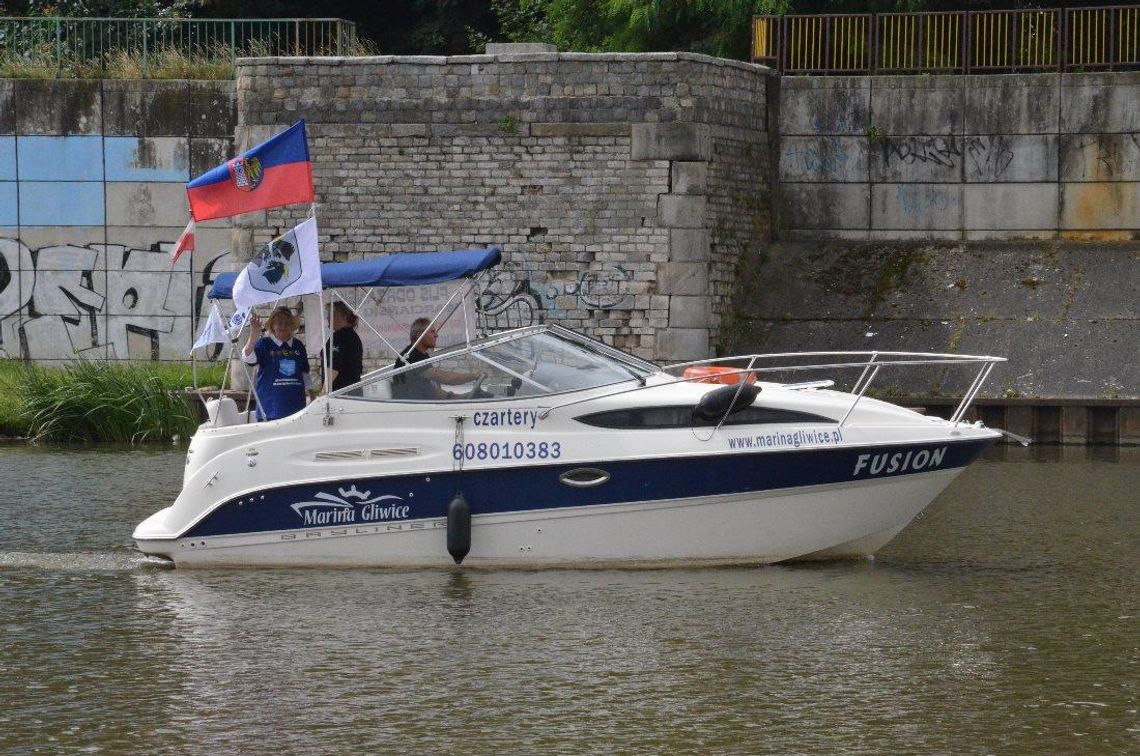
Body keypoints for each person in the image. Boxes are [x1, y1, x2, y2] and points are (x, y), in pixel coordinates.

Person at [242, 306, 313, 420]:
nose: (283, 326)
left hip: (296, 408)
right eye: (279, 323)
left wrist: (312, 396)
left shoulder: (298, 345)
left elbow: (305, 373)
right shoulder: (264, 344)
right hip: (270, 409)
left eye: (287, 323)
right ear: (273, 326)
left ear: (292, 326)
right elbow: (248, 358)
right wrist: (253, 335)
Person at [391, 317, 482, 400]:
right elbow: (446, 378)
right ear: (419, 335)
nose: (436, 335)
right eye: (432, 332)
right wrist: (474, 376)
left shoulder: (422, 355)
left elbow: (433, 391)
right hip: (410, 409)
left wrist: (464, 396)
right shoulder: (411, 356)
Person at [323, 301, 363, 392]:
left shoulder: (338, 337)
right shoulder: (353, 336)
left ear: (343, 317)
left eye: (331, 314)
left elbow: (334, 367)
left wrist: (323, 393)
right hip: (353, 390)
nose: (328, 317)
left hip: (339, 393)